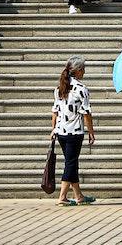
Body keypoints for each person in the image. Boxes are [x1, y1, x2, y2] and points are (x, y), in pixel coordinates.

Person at [51, 57, 95, 206]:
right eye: (83, 69)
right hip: (75, 132)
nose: (84, 72)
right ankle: (62, 197)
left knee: (72, 162)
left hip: (61, 132)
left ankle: (79, 196)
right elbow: (86, 113)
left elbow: (55, 112)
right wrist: (91, 132)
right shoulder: (81, 89)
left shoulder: (60, 88)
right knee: (70, 163)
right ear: (78, 71)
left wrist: (53, 129)